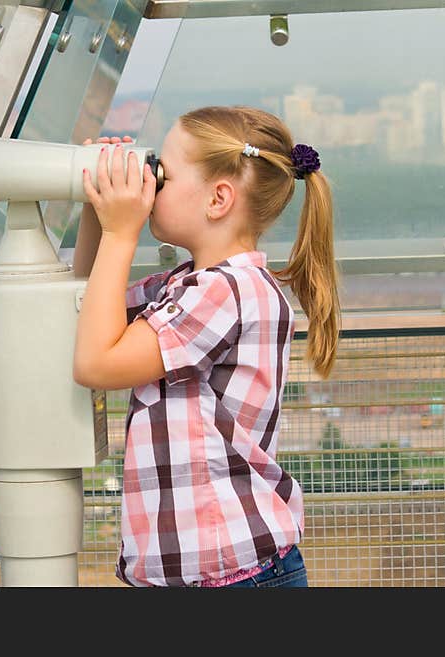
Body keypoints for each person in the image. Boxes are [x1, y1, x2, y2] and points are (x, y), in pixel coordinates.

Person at [72, 105, 341, 588]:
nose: (151, 187)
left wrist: (119, 231)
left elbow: (97, 362)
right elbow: (86, 310)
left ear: (218, 199)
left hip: (234, 579)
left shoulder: (225, 293)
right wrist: (97, 211)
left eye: (164, 176)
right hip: (215, 576)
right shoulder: (187, 287)